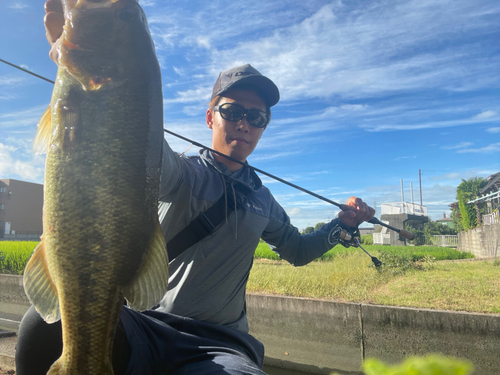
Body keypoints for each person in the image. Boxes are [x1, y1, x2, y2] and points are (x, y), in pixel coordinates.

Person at [15, 1, 376, 374]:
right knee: (37, 327)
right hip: (145, 326)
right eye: (232, 111)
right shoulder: (180, 172)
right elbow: (126, 144)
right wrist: (75, 59)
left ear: (264, 126)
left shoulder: (263, 200)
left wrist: (343, 225)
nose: (244, 124)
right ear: (210, 117)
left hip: (218, 345)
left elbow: (298, 250)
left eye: (257, 117)